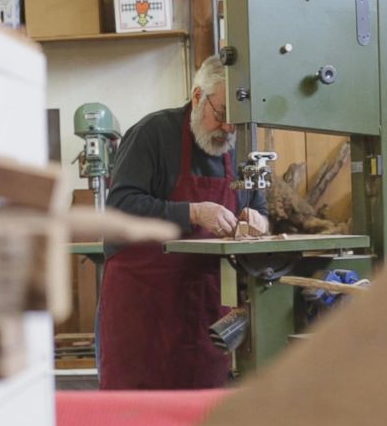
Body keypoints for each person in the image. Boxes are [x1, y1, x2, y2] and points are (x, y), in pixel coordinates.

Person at [98, 55, 269, 390]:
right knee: (137, 418)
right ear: (196, 97)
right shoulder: (152, 134)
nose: (228, 129)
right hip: (145, 308)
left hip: (206, 310)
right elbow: (119, 206)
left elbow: (258, 203)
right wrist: (191, 212)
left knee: (200, 415)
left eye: (236, 121)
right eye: (221, 115)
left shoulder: (238, 144)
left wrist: (259, 219)